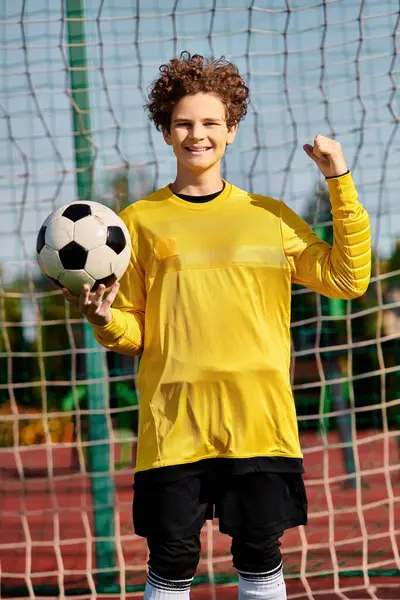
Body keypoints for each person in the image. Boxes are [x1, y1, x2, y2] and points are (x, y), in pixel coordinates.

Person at [63, 52, 371, 600]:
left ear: (231, 130)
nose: (196, 135)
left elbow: (349, 279)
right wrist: (105, 322)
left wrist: (338, 178)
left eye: (210, 123)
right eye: (183, 123)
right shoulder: (137, 223)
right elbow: (137, 334)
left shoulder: (270, 215)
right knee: (172, 559)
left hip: (259, 419)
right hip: (174, 424)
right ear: (165, 131)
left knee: (259, 556)